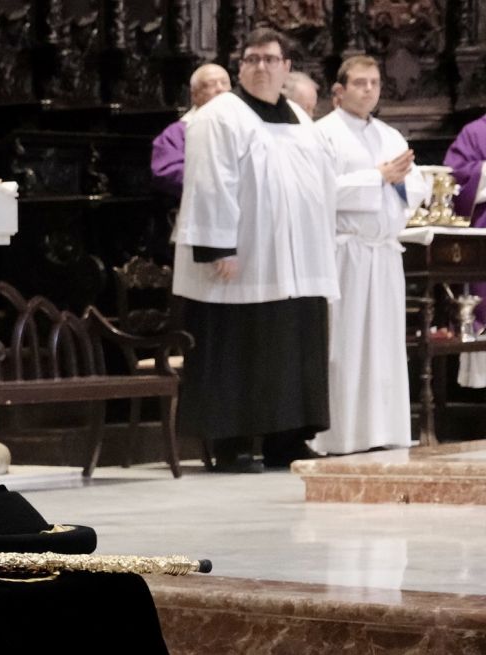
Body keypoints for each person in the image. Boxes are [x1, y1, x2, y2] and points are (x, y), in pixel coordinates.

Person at [173, 28, 338, 472]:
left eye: (270, 59)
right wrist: (217, 246)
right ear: (240, 67)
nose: (261, 67)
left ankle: (288, 440)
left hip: (297, 261)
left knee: (292, 349)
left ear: (287, 67)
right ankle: (232, 444)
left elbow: (320, 184)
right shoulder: (220, 115)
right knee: (238, 350)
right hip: (242, 260)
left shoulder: (302, 121)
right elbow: (210, 182)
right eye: (251, 59)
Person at [314, 54, 427, 455]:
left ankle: (385, 430)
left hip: (382, 254)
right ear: (339, 91)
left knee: (385, 343)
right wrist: (377, 177)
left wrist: (397, 183)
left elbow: (417, 189)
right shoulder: (322, 134)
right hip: (346, 252)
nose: (369, 90)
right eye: (360, 83)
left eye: (375, 83)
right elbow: (320, 190)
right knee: (345, 342)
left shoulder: (390, 136)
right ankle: (342, 434)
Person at [152, 63, 231, 198]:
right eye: (211, 84)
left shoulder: (246, 126)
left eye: (224, 83)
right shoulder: (177, 132)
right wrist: (216, 180)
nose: (220, 89)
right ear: (194, 95)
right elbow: (166, 172)